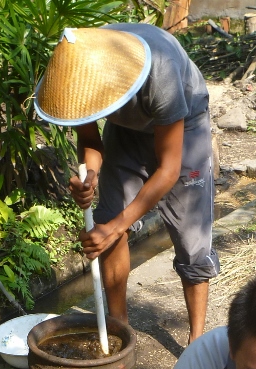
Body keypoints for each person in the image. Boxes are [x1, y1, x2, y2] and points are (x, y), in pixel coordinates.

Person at [33, 25, 219, 344]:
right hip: (127, 131)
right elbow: (90, 139)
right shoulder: (76, 74)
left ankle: (196, 340)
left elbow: (169, 170)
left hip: (183, 127)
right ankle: (119, 327)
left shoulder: (161, 74)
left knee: (191, 239)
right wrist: (89, 175)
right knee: (108, 217)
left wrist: (118, 227)